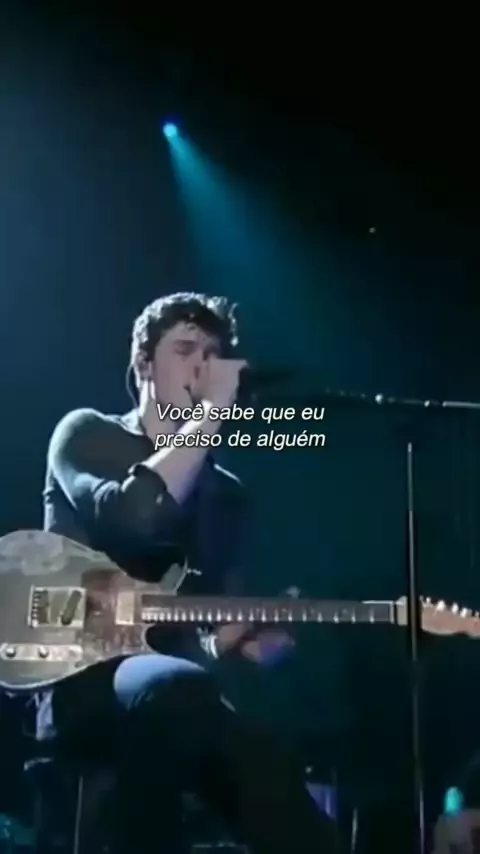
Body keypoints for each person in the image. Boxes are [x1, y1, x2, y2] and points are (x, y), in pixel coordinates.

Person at [39, 291, 341, 853]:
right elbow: (135, 517)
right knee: (177, 691)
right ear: (143, 363)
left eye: (212, 354)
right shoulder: (88, 433)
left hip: (180, 691)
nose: (202, 367)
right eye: (185, 350)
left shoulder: (226, 494)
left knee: (271, 769)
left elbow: (201, 632)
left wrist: (244, 645)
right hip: (84, 676)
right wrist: (208, 416)